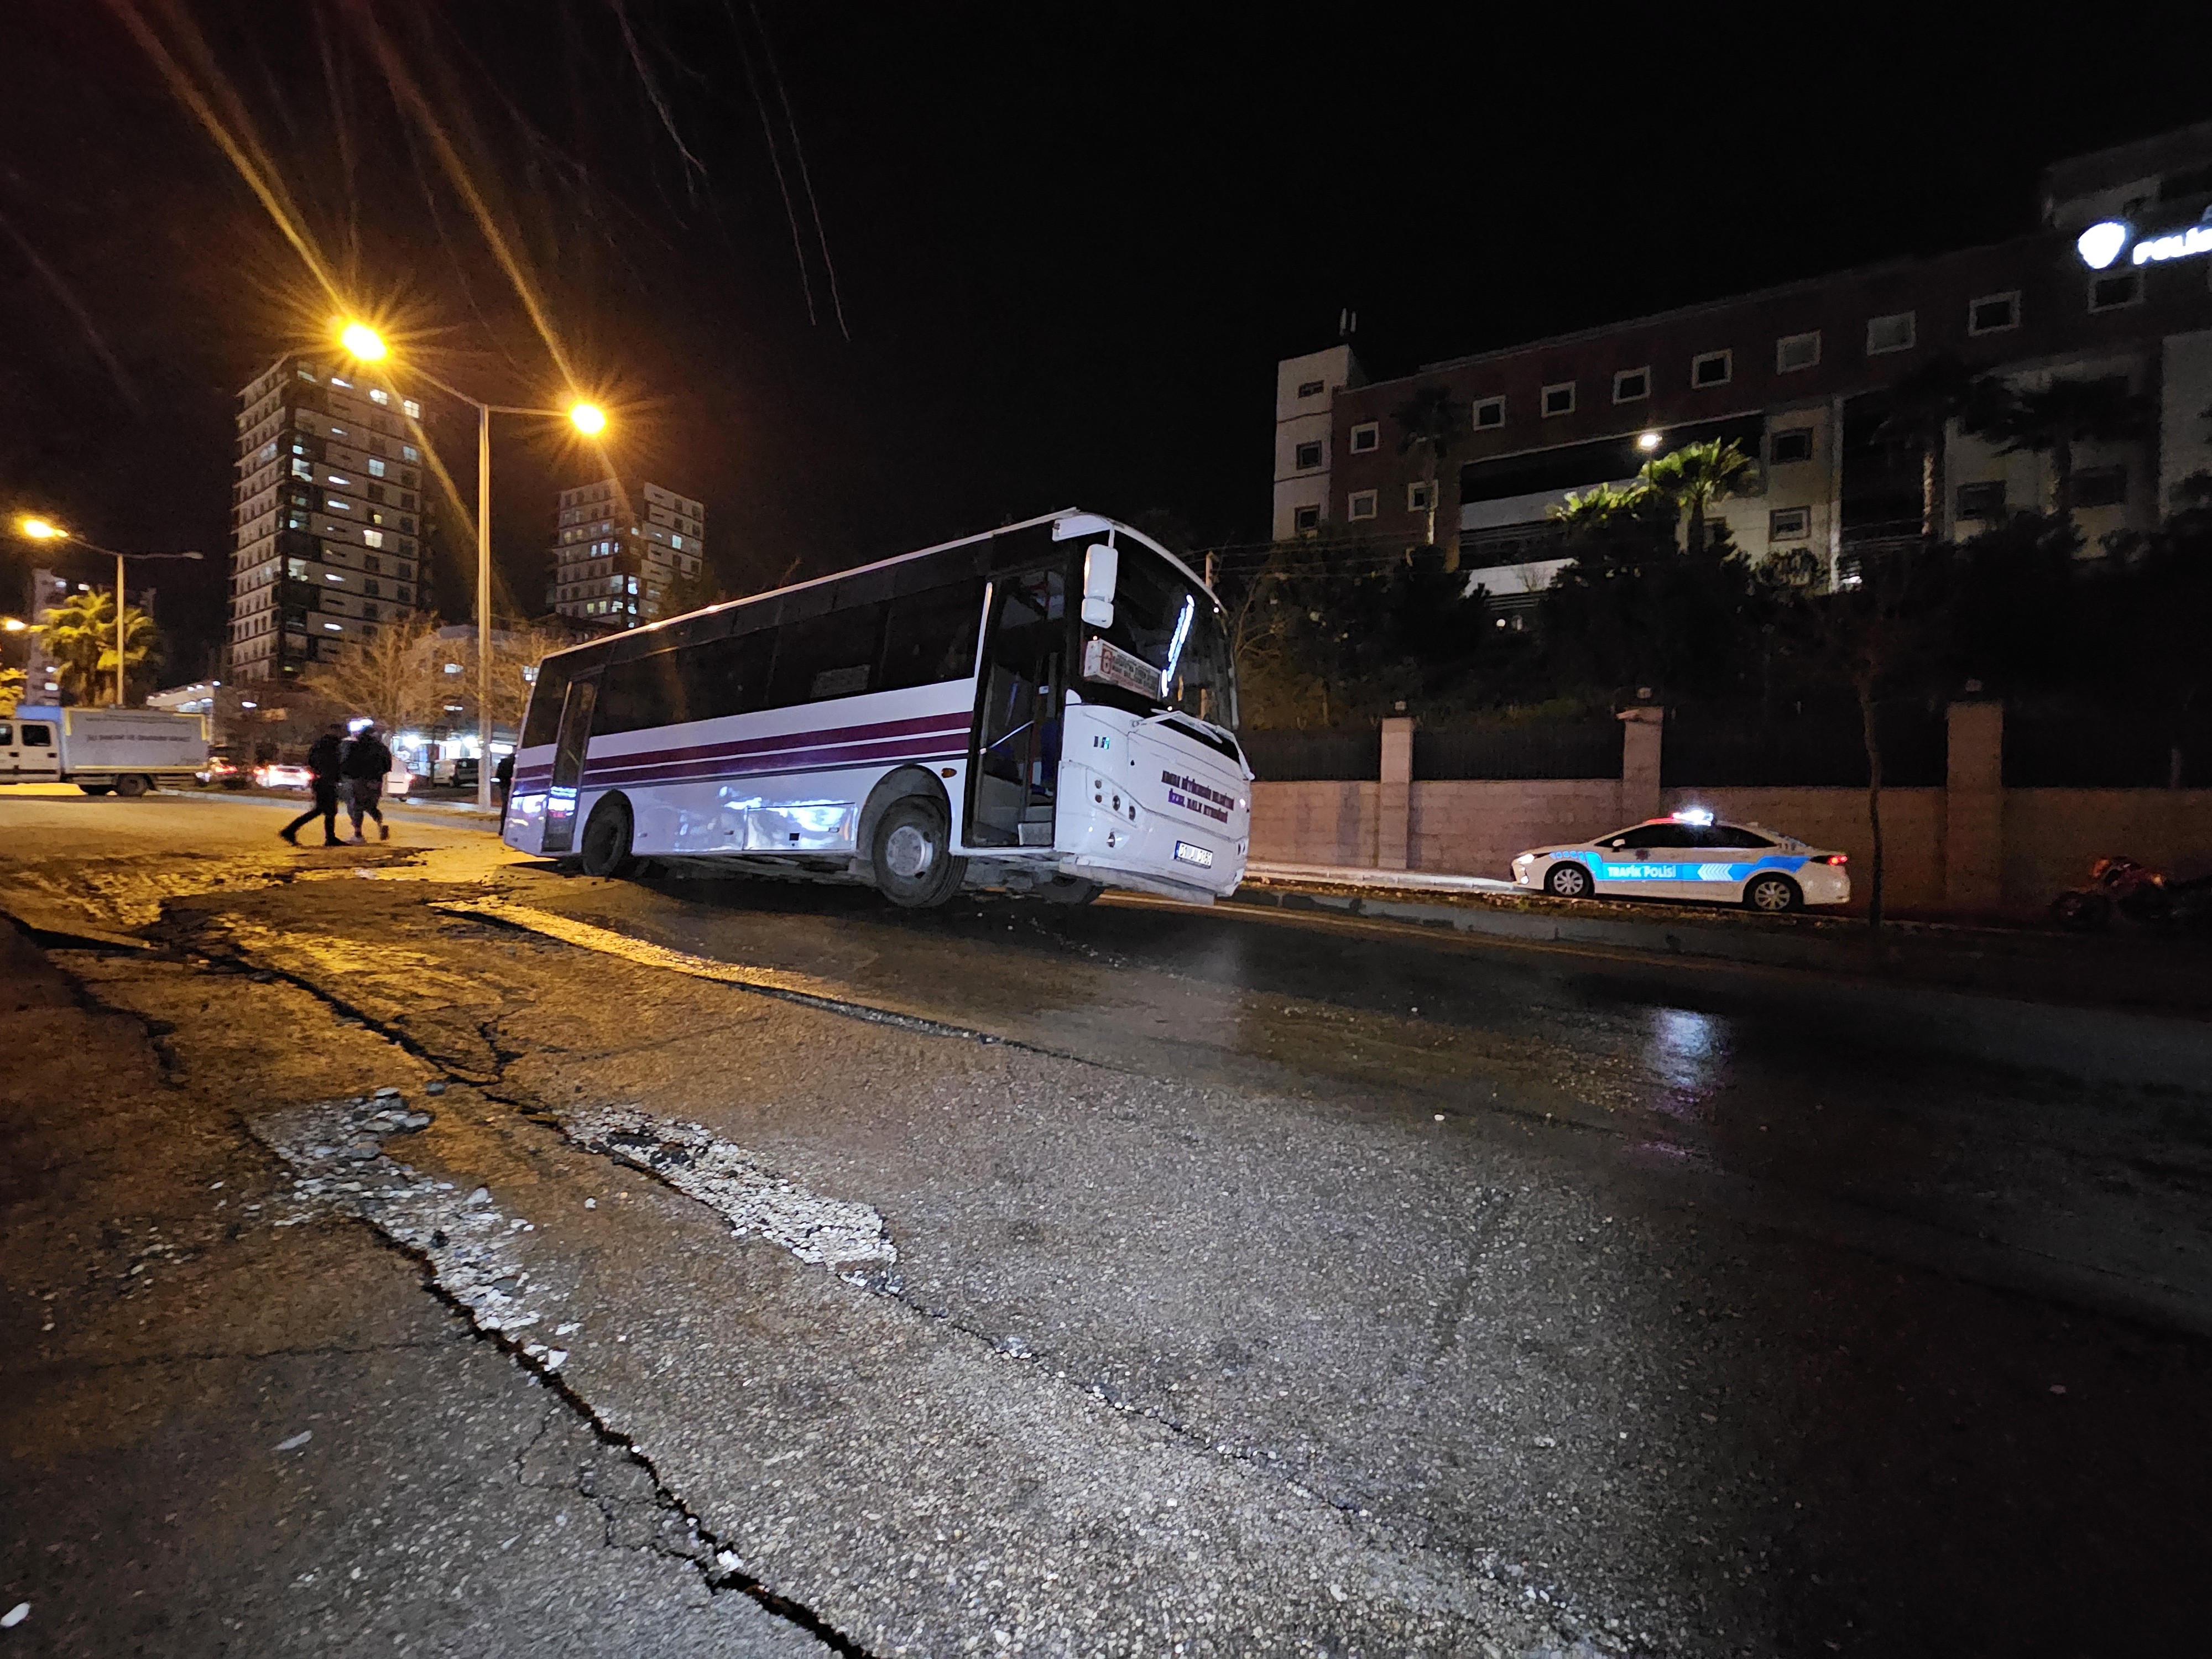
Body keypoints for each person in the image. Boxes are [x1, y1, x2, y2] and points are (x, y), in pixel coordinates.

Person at [279, 724, 346, 847]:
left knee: (324, 810)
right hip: (326, 781)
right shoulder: (332, 745)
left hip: (321, 780)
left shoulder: (320, 744)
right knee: (326, 810)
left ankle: (329, 837)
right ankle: (290, 831)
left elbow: (312, 760)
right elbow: (334, 763)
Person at [338, 723, 394, 843]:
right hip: (375, 781)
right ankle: (380, 823)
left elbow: (347, 762)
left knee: (356, 806)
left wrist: (345, 775)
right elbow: (388, 766)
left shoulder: (356, 746)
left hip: (358, 780)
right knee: (370, 806)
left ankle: (358, 834)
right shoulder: (382, 748)